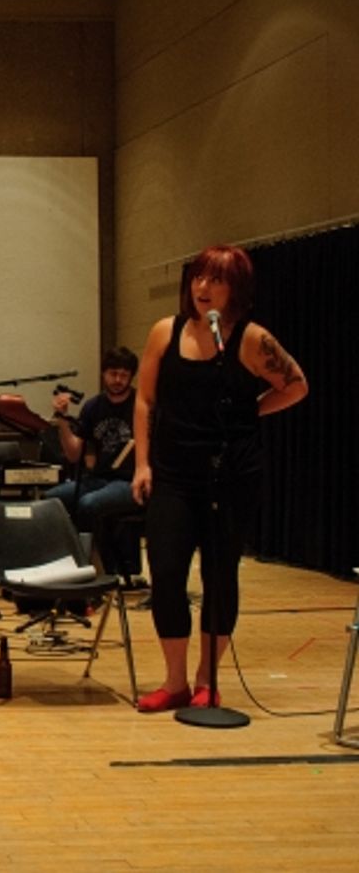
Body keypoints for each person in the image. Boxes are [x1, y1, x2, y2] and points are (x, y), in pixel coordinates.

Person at [131, 245, 307, 713]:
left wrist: (251, 411)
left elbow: (296, 385)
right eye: (199, 278)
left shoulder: (251, 340)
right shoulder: (164, 332)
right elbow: (145, 400)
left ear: (237, 289)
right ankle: (174, 682)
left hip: (231, 475)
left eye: (217, 280)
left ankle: (208, 678)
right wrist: (142, 464)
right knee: (166, 573)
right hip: (172, 473)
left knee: (219, 575)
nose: (203, 288)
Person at [44, 347, 143, 582]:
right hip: (99, 478)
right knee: (50, 500)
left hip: (130, 481)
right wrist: (63, 420)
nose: (118, 380)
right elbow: (74, 455)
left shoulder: (141, 405)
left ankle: (97, 570)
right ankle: (58, 565)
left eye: (123, 375)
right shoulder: (93, 407)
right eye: (113, 373)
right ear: (103, 374)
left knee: (89, 504)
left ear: (131, 376)